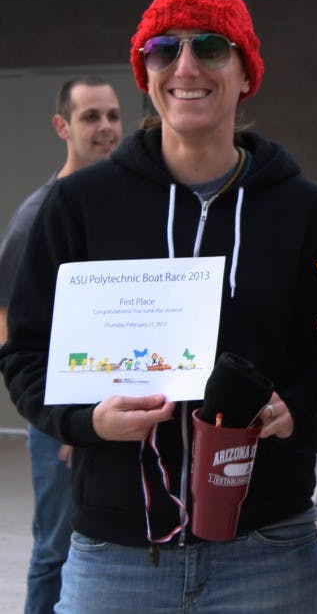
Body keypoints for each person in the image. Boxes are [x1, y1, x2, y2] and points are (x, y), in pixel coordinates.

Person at [0, 0, 317, 613]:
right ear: (144, 72)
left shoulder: (301, 209)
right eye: (163, 48)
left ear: (246, 73)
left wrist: (299, 407)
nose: (185, 66)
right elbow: (27, 353)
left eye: (209, 46)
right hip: (117, 554)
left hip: (266, 549)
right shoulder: (79, 205)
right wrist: (85, 420)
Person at [0, 76, 122, 614]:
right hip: (61, 418)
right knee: (56, 549)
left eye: (113, 115)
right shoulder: (40, 216)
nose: (106, 128)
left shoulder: (120, 201)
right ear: (61, 126)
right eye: (90, 117)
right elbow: (9, 324)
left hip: (116, 409)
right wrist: (65, 417)